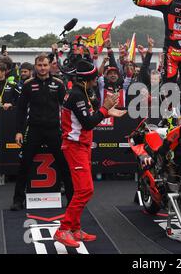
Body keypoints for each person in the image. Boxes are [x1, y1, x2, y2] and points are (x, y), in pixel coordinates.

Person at [54, 60, 126, 248]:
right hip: (75, 147)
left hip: (82, 146)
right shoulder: (77, 94)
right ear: (88, 79)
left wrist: (108, 112)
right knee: (86, 190)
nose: (97, 81)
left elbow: (89, 116)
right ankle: (63, 229)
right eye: (95, 78)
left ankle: (75, 229)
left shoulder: (82, 91)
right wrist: (105, 108)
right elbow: (87, 123)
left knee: (81, 190)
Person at [10, 54, 74, 211]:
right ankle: (18, 200)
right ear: (35, 66)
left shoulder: (58, 84)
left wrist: (67, 130)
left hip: (54, 130)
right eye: (39, 65)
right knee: (24, 163)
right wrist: (18, 131)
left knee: (64, 164)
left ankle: (72, 199)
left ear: (49, 65)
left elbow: (66, 109)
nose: (42, 68)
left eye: (45, 65)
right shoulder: (28, 84)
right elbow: (21, 109)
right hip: (34, 129)